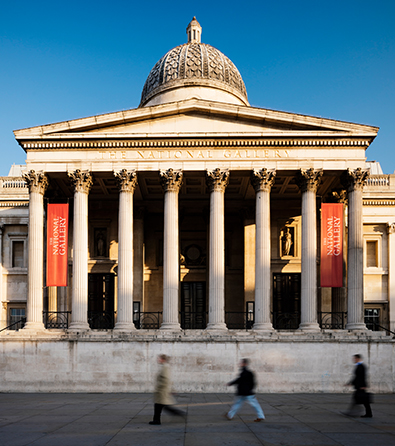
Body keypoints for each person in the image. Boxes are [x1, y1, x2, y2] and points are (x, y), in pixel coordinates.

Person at [149, 354, 186, 425]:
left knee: (162, 406)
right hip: (162, 391)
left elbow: (166, 379)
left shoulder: (165, 367)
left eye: (159, 358)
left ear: (163, 359)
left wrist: (159, 387)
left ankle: (179, 413)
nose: (158, 360)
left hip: (162, 391)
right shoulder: (164, 367)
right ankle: (156, 420)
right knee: (159, 406)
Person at [343, 354, 373, 418]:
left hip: (360, 386)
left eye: (355, 358)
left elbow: (362, 377)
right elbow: (356, 377)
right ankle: (368, 413)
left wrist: (363, 385)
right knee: (364, 401)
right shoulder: (359, 366)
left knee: (359, 400)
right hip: (359, 386)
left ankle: (352, 412)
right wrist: (350, 383)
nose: (354, 360)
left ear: (358, 359)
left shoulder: (361, 366)